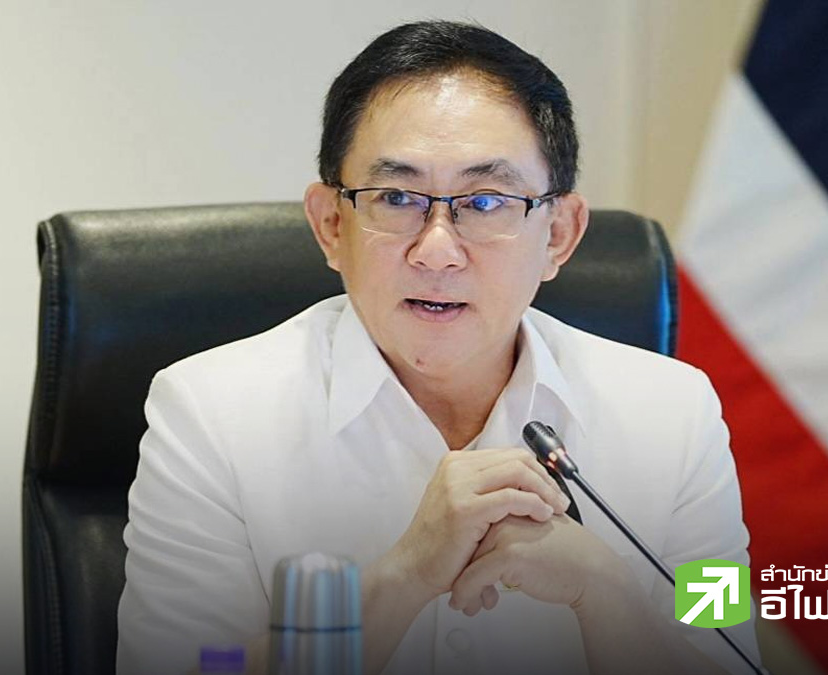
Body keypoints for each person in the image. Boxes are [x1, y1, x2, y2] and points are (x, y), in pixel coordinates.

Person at [116, 20, 759, 675]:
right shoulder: (208, 414)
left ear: (559, 234)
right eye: (396, 197)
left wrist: (608, 595)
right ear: (332, 225)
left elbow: (730, 653)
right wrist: (404, 575)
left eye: (486, 201)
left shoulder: (677, 414)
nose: (438, 250)